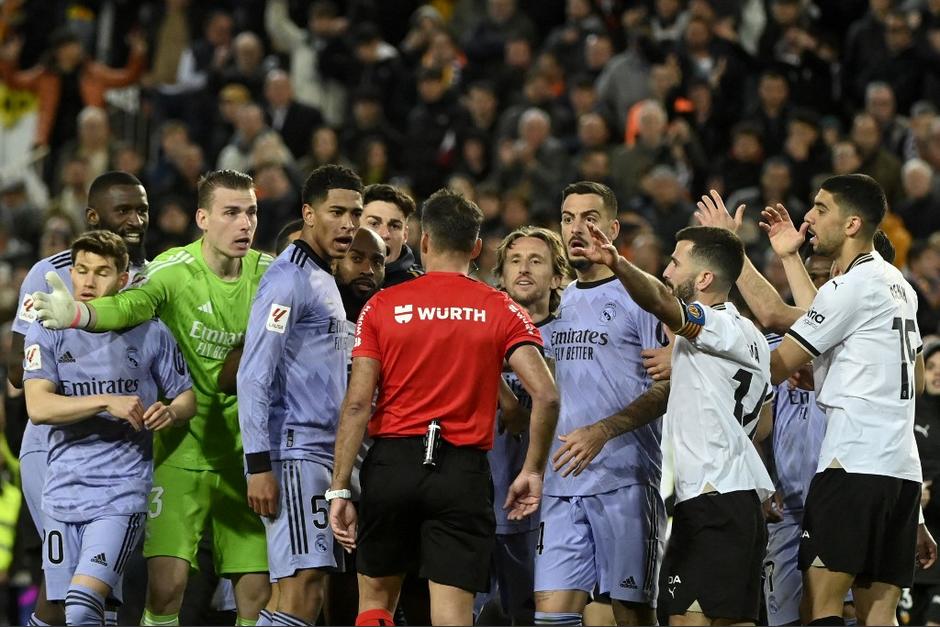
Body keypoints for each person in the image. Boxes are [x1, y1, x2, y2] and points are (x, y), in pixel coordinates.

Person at [31, 169, 274, 626]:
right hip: (178, 453)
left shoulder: (270, 274)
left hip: (242, 454)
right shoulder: (171, 271)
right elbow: (128, 305)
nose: (245, 224)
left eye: (251, 212)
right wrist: (79, 314)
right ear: (203, 218)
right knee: (165, 590)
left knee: (257, 594)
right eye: (231, 213)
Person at [695, 176, 937, 625]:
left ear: (851, 224)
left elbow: (775, 362)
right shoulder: (899, 285)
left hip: (851, 466)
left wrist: (696, 344)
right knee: (878, 615)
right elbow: (916, 381)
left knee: (819, 606)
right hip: (899, 476)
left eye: (821, 209)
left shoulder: (852, 287)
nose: (809, 217)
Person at [327, 189, 559, 626]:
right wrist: (532, 470)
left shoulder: (382, 305)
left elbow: (357, 404)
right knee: (452, 614)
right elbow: (547, 394)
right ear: (476, 248)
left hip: (392, 464)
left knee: (375, 602)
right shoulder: (499, 307)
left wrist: (340, 487)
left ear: (424, 241)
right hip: (461, 471)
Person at [572, 221, 775, 626]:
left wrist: (618, 263)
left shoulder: (714, 324)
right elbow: (764, 422)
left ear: (704, 278)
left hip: (713, 498)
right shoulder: (752, 336)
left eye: (676, 263)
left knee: (686, 620)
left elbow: (662, 303)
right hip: (735, 498)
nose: (667, 271)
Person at [22, 230, 195, 626]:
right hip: (61, 492)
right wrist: (105, 401)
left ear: (122, 280)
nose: (88, 281)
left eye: (102, 272)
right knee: (60, 614)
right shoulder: (47, 329)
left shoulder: (150, 331)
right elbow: (38, 406)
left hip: (120, 493)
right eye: (82, 270)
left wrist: (171, 412)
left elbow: (186, 397)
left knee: (83, 604)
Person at [8, 170, 150, 627]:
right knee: (65, 589)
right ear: (93, 216)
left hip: (123, 453)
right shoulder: (49, 273)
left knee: (103, 591)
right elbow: (16, 372)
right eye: (123, 210)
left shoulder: (155, 278)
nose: (135, 220)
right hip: (53, 448)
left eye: (142, 210)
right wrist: (76, 343)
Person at [535, 181, 667, 627]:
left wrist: (603, 430)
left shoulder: (640, 298)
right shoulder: (559, 304)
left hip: (625, 479)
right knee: (550, 617)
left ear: (612, 229)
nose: (576, 229)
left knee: (632, 616)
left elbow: (666, 389)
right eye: (567, 218)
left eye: (589, 219)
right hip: (561, 482)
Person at [237, 165, 363, 626]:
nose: (348, 224)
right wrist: (259, 465)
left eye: (355, 213)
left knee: (297, 589)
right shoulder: (287, 279)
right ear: (309, 214)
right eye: (337, 212)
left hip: (320, 452)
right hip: (294, 452)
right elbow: (253, 374)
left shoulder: (323, 277)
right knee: (304, 586)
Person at [478, 226, 571, 626]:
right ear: (501, 275)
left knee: (530, 614)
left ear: (558, 276)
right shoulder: (480, 328)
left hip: (546, 503)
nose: (524, 269)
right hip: (481, 496)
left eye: (536, 261)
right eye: (515, 261)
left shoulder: (571, 335)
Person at [360, 183, 423, 286]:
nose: (385, 234)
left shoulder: (420, 285)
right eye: (374, 224)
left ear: (405, 235)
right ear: (355, 227)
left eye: (394, 226)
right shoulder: (338, 277)